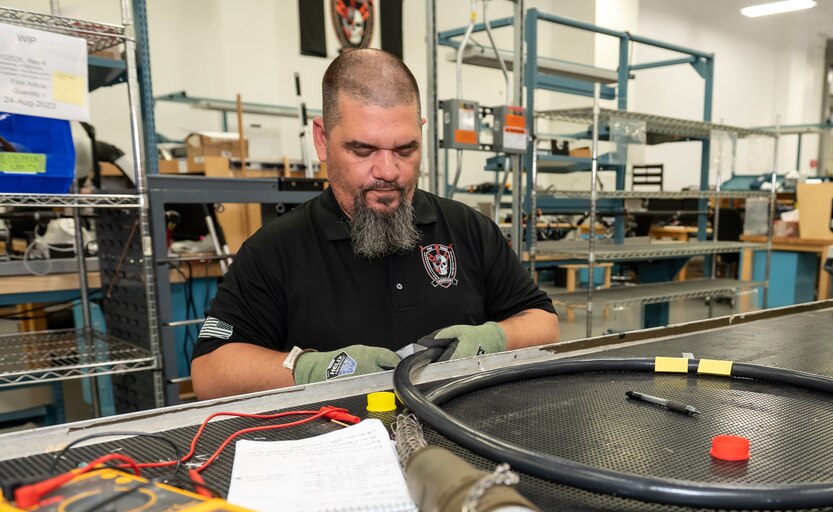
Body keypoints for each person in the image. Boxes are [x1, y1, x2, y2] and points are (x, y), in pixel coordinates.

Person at [190, 49, 559, 400]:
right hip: (338, 448)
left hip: (460, 436)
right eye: (362, 151)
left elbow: (543, 322)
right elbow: (210, 372)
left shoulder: (469, 229)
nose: (387, 171)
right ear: (322, 140)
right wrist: (314, 369)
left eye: (405, 150)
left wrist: (493, 338)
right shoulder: (275, 250)